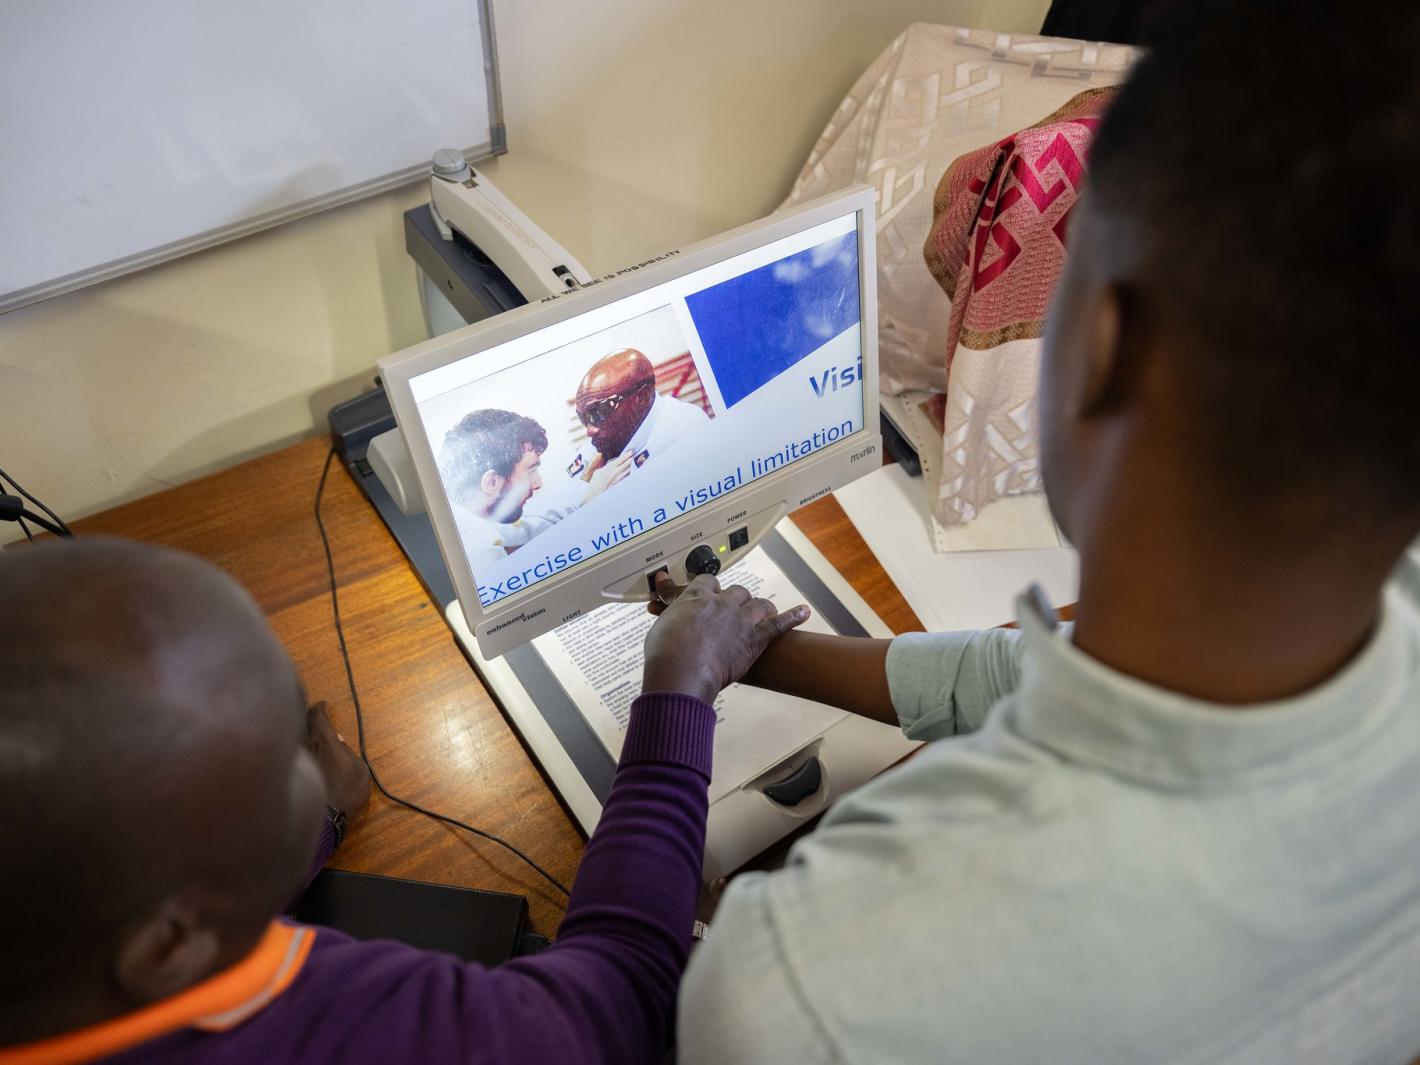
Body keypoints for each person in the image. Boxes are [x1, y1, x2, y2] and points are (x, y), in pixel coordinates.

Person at [673, 2, 1420, 1061]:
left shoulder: (807, 988)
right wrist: (756, 653)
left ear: (1103, 344)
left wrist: (667, 729)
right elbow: (1037, 675)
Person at [0, 537, 808, 1064]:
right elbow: (622, 996)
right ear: (173, 943)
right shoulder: (343, 1031)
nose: (322, 735)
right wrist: (680, 690)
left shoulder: (70, 952)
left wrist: (310, 827)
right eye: (285, 757)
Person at [438, 408, 622, 572]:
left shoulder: (465, 518)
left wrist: (585, 483)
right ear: (492, 482)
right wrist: (591, 511)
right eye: (531, 470)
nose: (538, 483)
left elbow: (528, 531)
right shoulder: (481, 551)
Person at [558, 348, 709, 492]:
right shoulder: (604, 442)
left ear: (641, 397)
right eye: (583, 418)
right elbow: (551, 506)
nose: (589, 431)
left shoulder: (685, 430)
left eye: (599, 411)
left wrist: (593, 502)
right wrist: (586, 485)